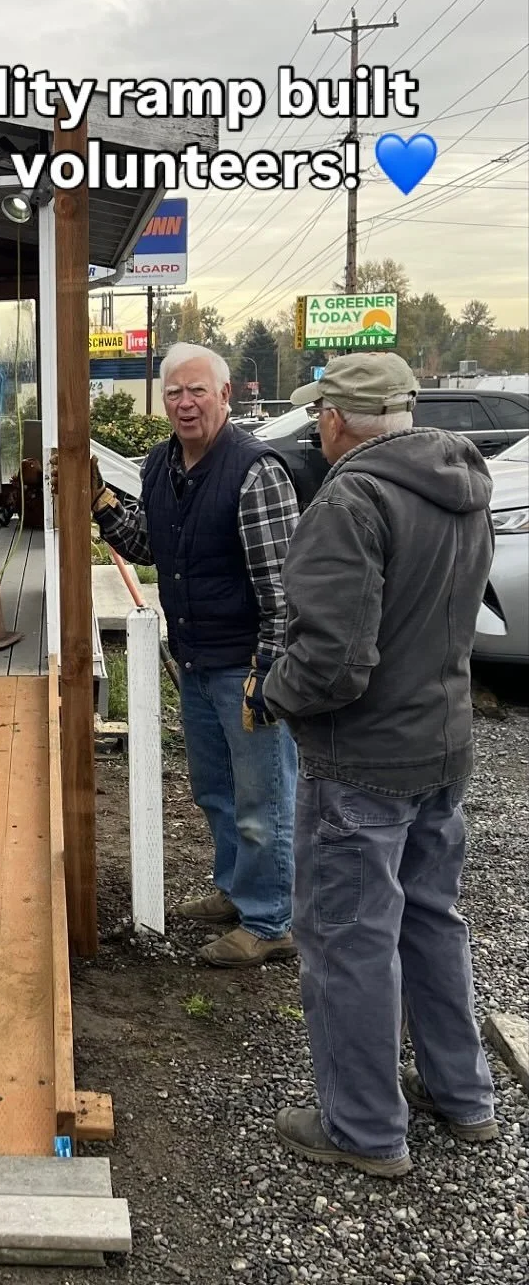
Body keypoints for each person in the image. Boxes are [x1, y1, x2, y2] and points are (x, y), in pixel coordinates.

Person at [263, 353, 498, 1178]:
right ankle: (462, 1095)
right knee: (430, 919)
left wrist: (272, 690)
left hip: (362, 758)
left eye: (318, 415)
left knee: (348, 940)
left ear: (334, 419)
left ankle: (363, 1128)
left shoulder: (351, 499)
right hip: (442, 744)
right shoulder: (462, 486)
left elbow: (333, 664)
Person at [92, 342, 300, 967]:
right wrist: (100, 503)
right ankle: (237, 891)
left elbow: (282, 588)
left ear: (225, 395)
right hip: (197, 659)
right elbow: (149, 543)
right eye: (174, 393)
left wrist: (269, 672)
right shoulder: (162, 465)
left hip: (246, 666)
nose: (185, 403)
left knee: (263, 798)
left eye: (197, 391)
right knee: (217, 791)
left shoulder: (255, 471)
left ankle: (271, 921)